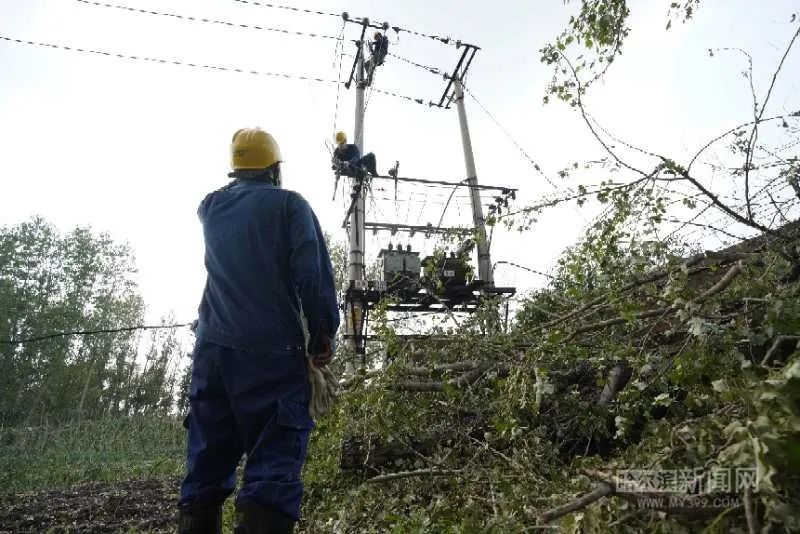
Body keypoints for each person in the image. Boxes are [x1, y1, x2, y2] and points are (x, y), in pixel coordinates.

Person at [178, 127, 339, 534]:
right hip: (271, 356)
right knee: (274, 468)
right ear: (274, 168)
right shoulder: (290, 207)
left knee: (205, 468)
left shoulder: (211, 207)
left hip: (212, 354)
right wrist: (321, 337)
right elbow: (313, 277)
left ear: (237, 170)